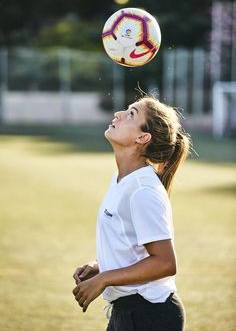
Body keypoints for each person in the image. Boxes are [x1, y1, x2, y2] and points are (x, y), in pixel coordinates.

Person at [73, 93, 191, 331]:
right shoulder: (122, 179)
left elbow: (165, 263)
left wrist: (104, 279)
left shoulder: (142, 189)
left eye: (130, 114)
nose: (118, 114)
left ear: (142, 137)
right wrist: (102, 265)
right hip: (128, 313)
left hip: (150, 316)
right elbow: (132, 246)